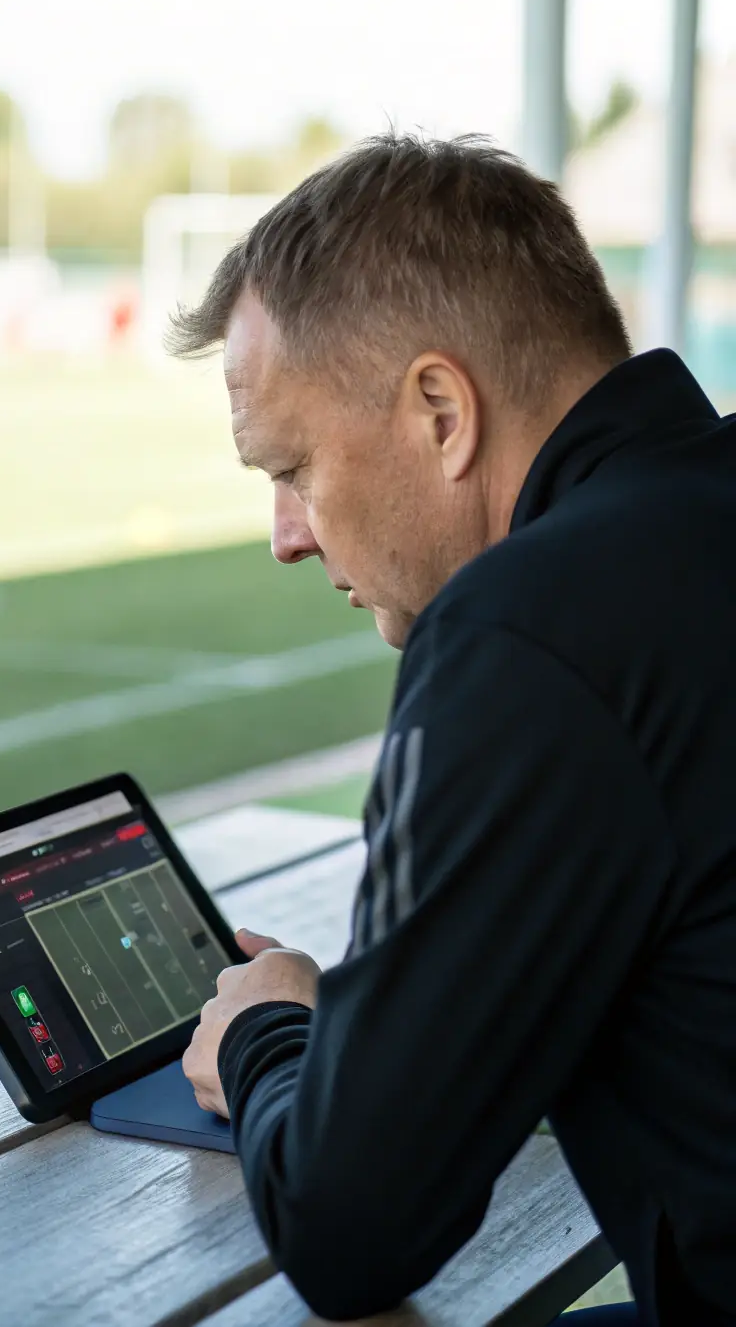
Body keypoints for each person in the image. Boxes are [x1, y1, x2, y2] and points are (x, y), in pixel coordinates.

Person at [171, 134, 736, 1327]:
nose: (286, 537)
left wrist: (272, 1032)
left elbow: (349, 1225)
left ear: (440, 409)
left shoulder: (528, 634)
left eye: (293, 468)